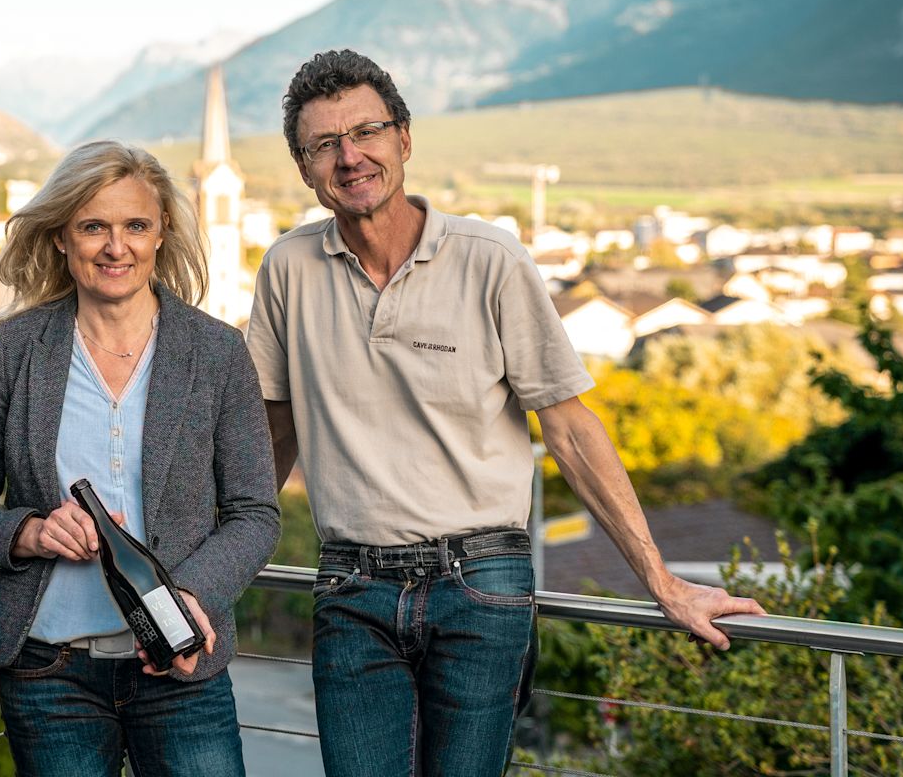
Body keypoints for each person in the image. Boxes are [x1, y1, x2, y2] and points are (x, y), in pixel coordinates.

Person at [246, 49, 765, 777]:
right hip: (351, 588)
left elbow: (572, 430)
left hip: (480, 586)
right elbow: (272, 436)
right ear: (303, 168)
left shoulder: (491, 259)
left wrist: (663, 582)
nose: (349, 156)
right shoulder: (287, 270)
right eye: (324, 144)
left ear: (404, 138)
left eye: (366, 132)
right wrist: (212, 577)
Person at [0, 140, 279, 777]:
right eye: (94, 226)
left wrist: (193, 597)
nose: (116, 247)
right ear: (62, 237)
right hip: (49, 671)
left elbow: (255, 513)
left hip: (183, 668)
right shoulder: (15, 350)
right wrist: (28, 532)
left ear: (162, 234)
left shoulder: (217, 352)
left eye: (135, 226)